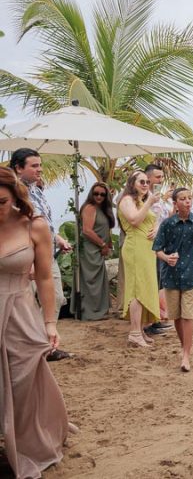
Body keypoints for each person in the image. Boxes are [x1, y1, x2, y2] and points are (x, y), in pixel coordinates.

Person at [0, 167, 72, 478]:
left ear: (16, 196)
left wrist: (50, 323)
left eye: (1, 202)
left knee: (23, 382)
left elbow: (43, 277)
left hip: (19, 312)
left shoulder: (35, 226)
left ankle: (28, 443)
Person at [9, 148, 72, 361]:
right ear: (18, 168)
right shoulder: (14, 194)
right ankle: (40, 347)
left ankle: (44, 344)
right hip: (25, 257)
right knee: (26, 303)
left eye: (40, 165)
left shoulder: (36, 189)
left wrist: (58, 239)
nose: (40, 170)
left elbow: (43, 223)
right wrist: (29, 259)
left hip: (46, 253)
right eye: (34, 166)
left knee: (55, 297)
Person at [153, 188, 193, 372]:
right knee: (176, 316)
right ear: (175, 203)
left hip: (192, 275)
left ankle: (186, 355)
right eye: (183, 199)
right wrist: (166, 258)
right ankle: (185, 347)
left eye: (190, 198)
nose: (187, 201)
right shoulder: (167, 224)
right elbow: (157, 249)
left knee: (187, 315)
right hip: (171, 276)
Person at [118, 171, 161, 348]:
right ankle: (134, 332)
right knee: (137, 288)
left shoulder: (142, 201)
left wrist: (157, 228)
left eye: (147, 182)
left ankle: (141, 329)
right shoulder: (126, 200)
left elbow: (152, 220)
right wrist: (150, 202)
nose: (145, 184)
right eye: (141, 182)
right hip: (135, 247)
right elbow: (134, 220)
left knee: (145, 286)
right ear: (132, 183)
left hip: (146, 248)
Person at [77, 182, 114, 321]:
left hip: (98, 249)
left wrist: (108, 244)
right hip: (90, 249)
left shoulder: (102, 210)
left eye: (102, 194)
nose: (99, 196)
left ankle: (98, 310)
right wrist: (103, 244)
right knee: (90, 281)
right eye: (96, 193)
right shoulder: (89, 208)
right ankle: (90, 312)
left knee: (98, 281)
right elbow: (87, 230)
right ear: (91, 194)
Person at [144, 163, 173, 336]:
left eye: (162, 177)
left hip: (160, 244)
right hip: (149, 245)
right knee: (153, 281)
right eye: (158, 177)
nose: (161, 180)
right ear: (148, 177)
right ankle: (150, 322)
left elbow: (164, 218)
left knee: (159, 281)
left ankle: (156, 317)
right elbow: (153, 218)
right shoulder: (146, 197)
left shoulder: (156, 196)